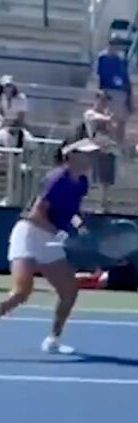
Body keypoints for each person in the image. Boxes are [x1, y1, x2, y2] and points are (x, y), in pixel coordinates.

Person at [0, 139, 101, 354]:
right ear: (71, 157)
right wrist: (59, 233)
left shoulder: (82, 182)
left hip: (49, 237)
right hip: (29, 233)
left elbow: (71, 212)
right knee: (21, 293)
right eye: (86, 153)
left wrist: (79, 225)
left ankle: (53, 340)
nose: (91, 158)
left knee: (69, 290)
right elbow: (35, 214)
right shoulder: (56, 179)